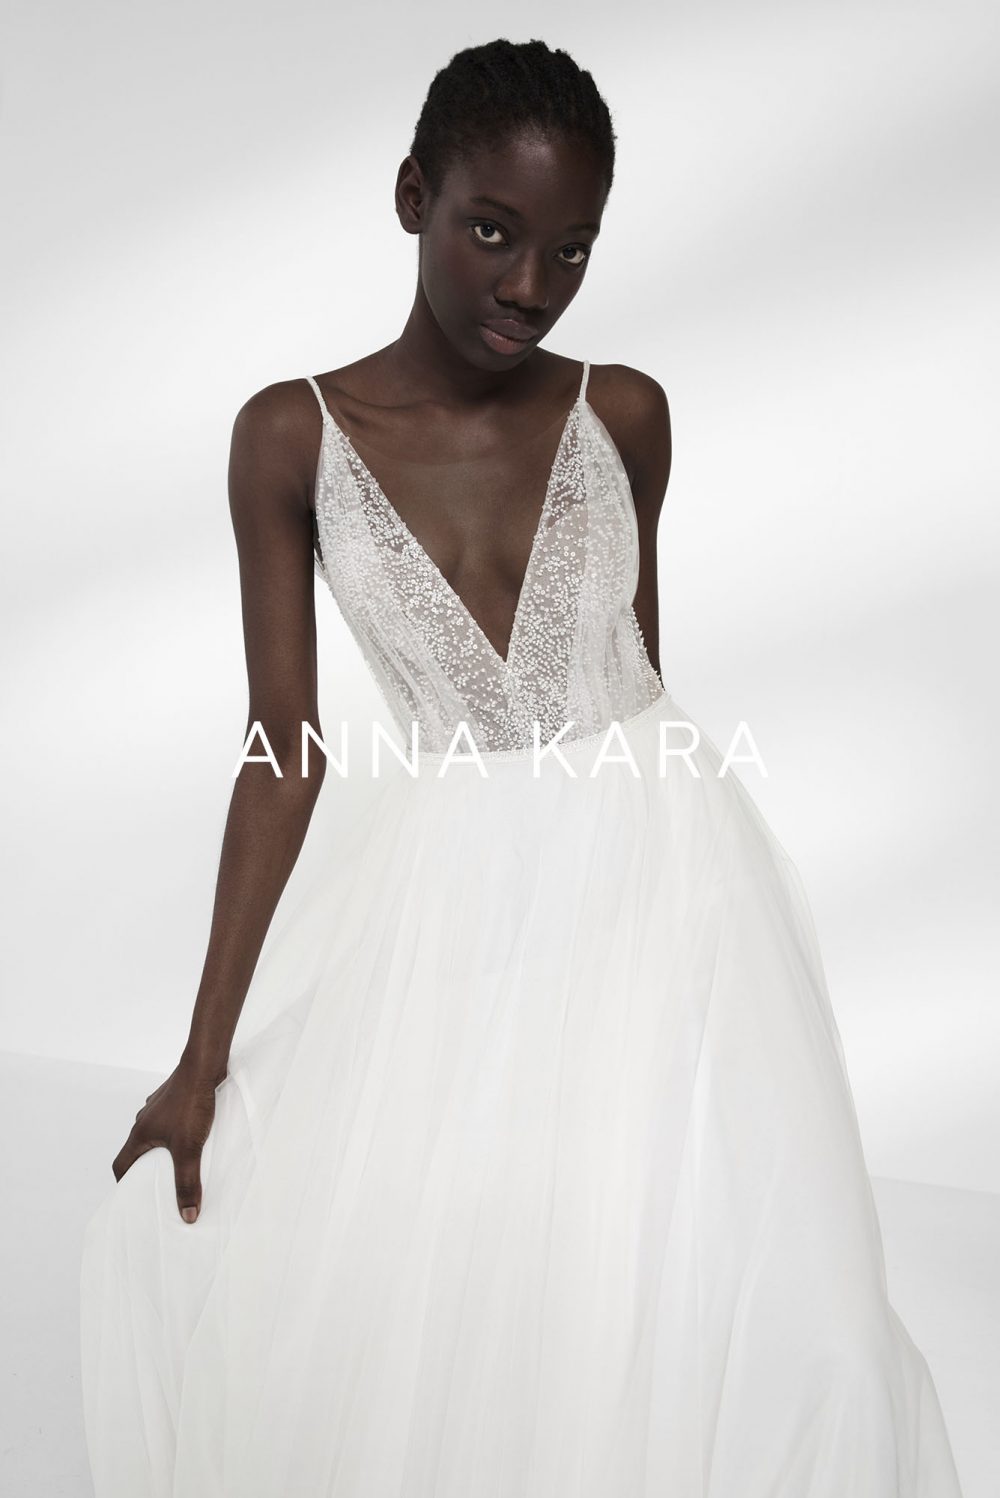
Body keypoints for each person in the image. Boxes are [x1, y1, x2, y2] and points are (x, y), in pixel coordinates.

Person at [79, 36, 965, 1498]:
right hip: (448, 904)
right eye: (491, 231)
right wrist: (199, 1056)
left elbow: (640, 677)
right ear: (411, 196)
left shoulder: (627, 413)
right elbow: (283, 749)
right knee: (466, 1303)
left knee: (782, 1318)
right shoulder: (291, 437)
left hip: (671, 885)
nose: (531, 286)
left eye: (571, 249)